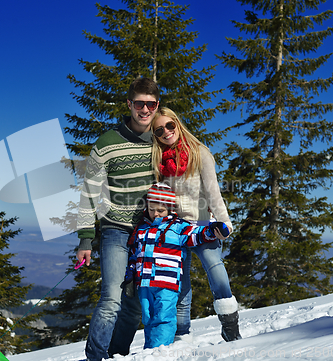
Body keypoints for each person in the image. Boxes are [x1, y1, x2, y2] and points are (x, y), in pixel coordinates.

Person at [75, 77, 159, 361]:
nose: (144, 110)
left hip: (149, 233)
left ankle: (116, 355)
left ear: (157, 106)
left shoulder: (161, 141)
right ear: (129, 104)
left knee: (134, 304)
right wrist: (86, 238)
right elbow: (88, 192)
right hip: (115, 230)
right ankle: (95, 358)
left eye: (150, 104)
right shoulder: (107, 143)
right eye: (139, 103)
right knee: (112, 298)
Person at [150, 107, 242, 342]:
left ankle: (231, 328)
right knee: (180, 281)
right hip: (174, 229)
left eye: (170, 125)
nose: (166, 132)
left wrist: (224, 222)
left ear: (178, 124)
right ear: (155, 135)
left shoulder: (200, 153)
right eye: (159, 130)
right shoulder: (159, 162)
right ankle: (182, 335)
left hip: (201, 224)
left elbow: (213, 192)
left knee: (215, 269)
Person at [124, 182, 229, 348]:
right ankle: (149, 350)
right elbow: (134, 253)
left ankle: (159, 351)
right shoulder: (142, 228)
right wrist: (130, 272)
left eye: (160, 210)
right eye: (151, 209)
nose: (155, 214)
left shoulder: (178, 227)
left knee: (163, 317)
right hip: (144, 283)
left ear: (170, 209)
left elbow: (196, 235)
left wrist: (212, 229)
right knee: (148, 318)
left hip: (166, 283)